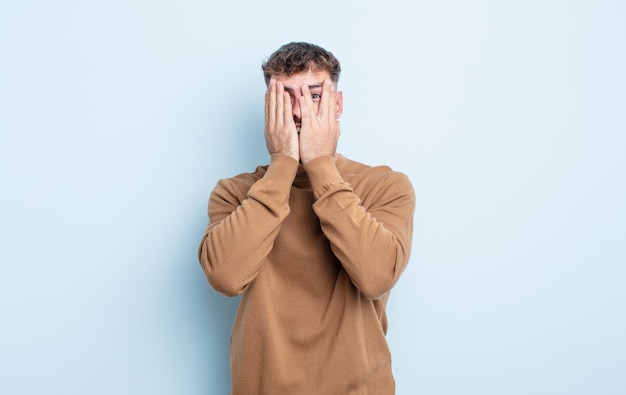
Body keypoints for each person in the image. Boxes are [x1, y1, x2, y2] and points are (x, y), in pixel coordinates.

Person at [198, 42, 415, 394]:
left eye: (314, 95)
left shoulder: (386, 186)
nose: (298, 111)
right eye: (285, 98)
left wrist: (319, 164)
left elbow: (376, 277)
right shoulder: (235, 193)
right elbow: (225, 277)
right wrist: (283, 164)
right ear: (268, 108)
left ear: (337, 105)